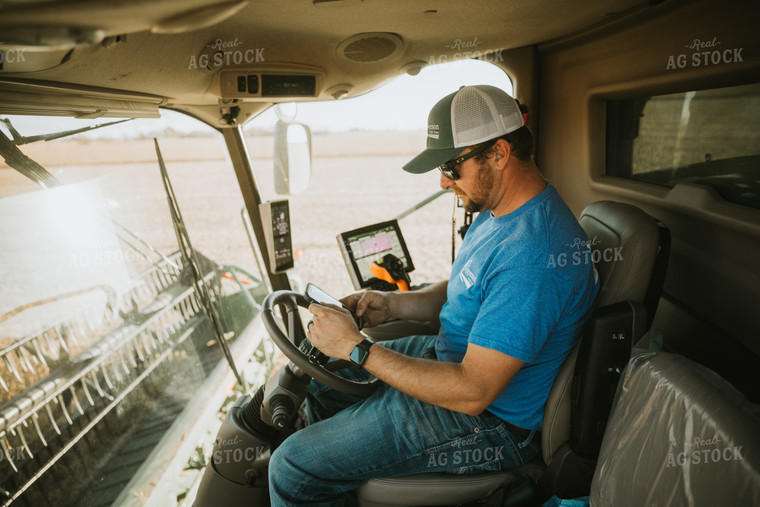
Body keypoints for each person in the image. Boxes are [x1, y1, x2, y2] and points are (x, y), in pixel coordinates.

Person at [268, 85, 599, 506]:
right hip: (449, 360)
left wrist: (357, 348)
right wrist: (390, 304)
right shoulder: (499, 212)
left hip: (488, 422)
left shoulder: (535, 254)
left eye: (450, 165)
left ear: (499, 153)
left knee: (293, 468)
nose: (443, 182)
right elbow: (466, 289)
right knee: (318, 384)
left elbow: (474, 391)